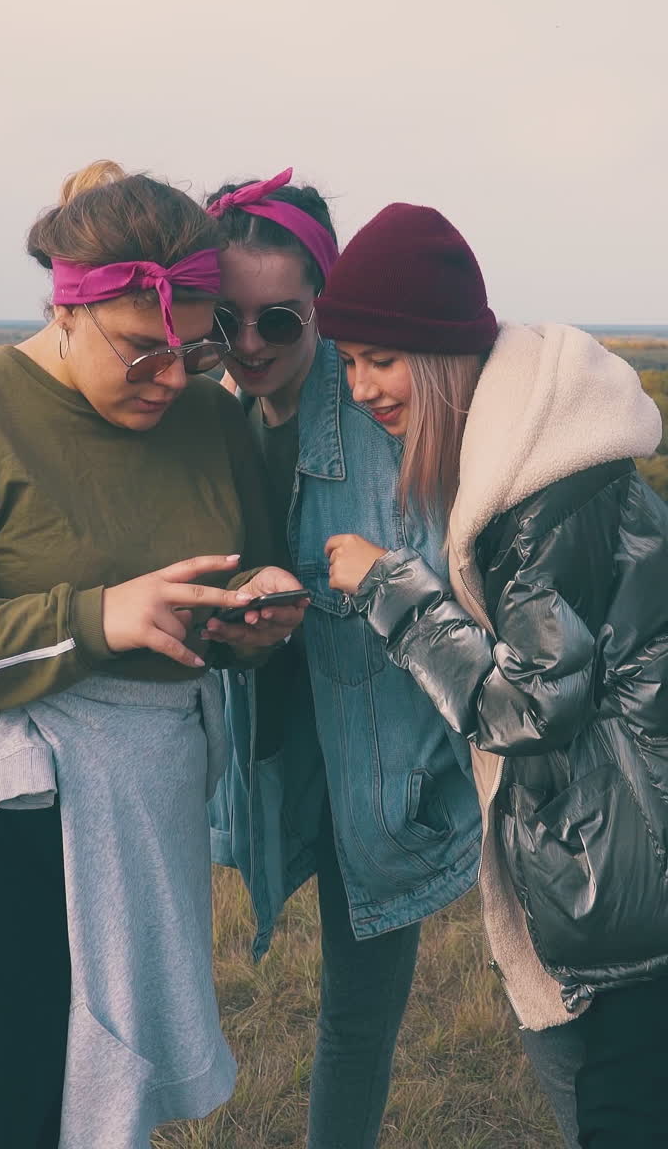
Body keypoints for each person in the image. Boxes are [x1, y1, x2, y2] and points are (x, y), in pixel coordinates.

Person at [0, 160, 306, 1149]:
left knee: (105, 1107)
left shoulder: (212, 416)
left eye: (193, 351)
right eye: (142, 348)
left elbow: (252, 572)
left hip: (153, 806)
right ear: (67, 306)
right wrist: (99, 616)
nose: (168, 376)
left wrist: (259, 625)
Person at [315, 201, 667, 1149]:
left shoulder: (545, 488)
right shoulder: (526, 458)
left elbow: (531, 704)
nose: (360, 388)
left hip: (632, 878)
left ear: (440, 349)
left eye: (380, 359)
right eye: (346, 363)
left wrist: (394, 592)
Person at [205, 170, 482, 1149]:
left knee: (354, 1019)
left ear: (322, 303)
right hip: (265, 763)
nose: (246, 348)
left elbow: (465, 609)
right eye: (221, 320)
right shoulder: (192, 414)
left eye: (277, 320)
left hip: (379, 773)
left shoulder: (385, 417)